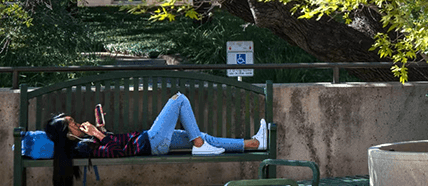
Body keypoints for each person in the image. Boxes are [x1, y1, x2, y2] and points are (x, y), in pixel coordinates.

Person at [45, 92, 267, 186]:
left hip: (151, 140)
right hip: (152, 142)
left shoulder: (85, 143)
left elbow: (114, 145)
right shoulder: (83, 148)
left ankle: (255, 144)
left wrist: (101, 130)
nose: (76, 123)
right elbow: (119, 152)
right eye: (72, 123)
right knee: (179, 99)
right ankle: (200, 146)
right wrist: (97, 134)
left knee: (199, 136)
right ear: (68, 133)